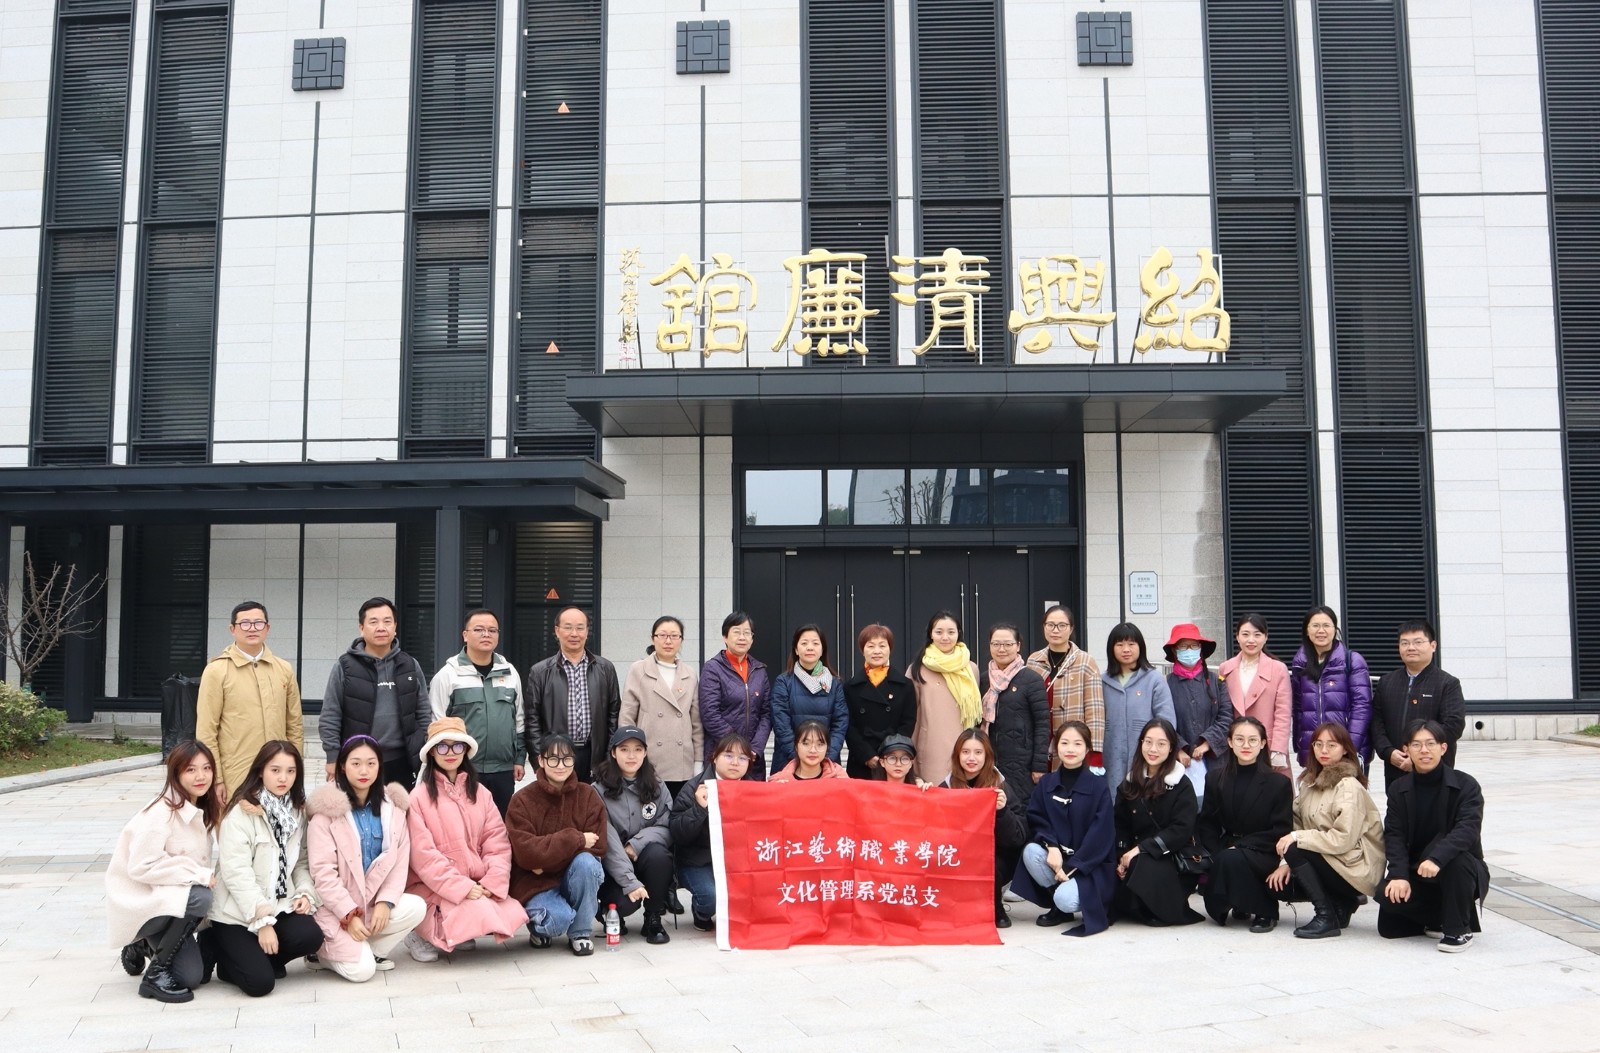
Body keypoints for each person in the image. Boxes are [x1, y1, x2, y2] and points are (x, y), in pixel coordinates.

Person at [401, 717, 526, 962]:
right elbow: (424, 858)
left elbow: (497, 844)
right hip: (432, 887)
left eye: (457, 746)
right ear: (432, 752)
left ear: (466, 750)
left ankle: (461, 926)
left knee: (511, 912)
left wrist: (491, 882)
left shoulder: (481, 793)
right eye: (442, 746)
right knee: (478, 911)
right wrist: (462, 888)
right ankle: (418, 934)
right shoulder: (418, 798)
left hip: (475, 882)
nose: (450, 753)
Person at [205, 740, 323, 996]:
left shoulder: (296, 812)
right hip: (236, 913)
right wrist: (262, 922)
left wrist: (304, 893)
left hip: (276, 904)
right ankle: (221, 950)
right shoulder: (241, 814)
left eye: (290, 771)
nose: (283, 778)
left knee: (310, 936)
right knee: (260, 984)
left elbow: (300, 862)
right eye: (275, 770)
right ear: (260, 771)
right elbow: (237, 874)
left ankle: (260, 959)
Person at [106, 741, 221, 1003]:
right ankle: (154, 975)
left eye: (206, 768)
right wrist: (195, 873)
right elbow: (141, 866)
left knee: (191, 977)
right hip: (143, 902)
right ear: (175, 773)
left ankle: (141, 946)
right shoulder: (161, 813)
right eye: (191, 770)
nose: (201, 776)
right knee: (200, 896)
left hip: (168, 904)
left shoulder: (200, 808)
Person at [305, 735, 426, 982]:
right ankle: (320, 956)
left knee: (416, 906)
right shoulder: (325, 813)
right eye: (356, 763)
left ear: (380, 766)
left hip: (371, 903)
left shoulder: (393, 808)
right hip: (335, 908)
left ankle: (368, 951)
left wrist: (385, 901)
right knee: (362, 972)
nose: (364, 771)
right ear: (342, 766)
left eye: (371, 763)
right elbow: (323, 874)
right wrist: (348, 914)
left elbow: (399, 863)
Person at [1378, 720, 1489, 952]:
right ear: (1406, 750)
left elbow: (1467, 831)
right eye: (1416, 745)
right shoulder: (1399, 788)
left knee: (1456, 860)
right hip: (1418, 870)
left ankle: (1459, 929)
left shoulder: (1466, 785)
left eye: (1430, 744)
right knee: (1386, 909)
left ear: (1443, 748)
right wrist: (1399, 875)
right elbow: (1395, 834)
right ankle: (1440, 916)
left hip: (1456, 869)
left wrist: (1437, 858)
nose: (1424, 750)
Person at [1265, 722, 1383, 939]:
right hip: (1331, 861)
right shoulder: (1309, 784)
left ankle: (1326, 916)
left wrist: (1296, 840)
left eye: (1332, 745)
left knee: (1295, 848)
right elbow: (1297, 823)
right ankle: (1342, 903)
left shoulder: (1348, 786)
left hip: (1355, 867)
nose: (1323, 750)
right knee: (1278, 886)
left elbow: (1342, 839)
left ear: (1345, 749)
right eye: (1318, 744)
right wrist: (1286, 863)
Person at [1011, 720, 1116, 936]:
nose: (1070, 749)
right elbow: (1037, 818)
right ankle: (1059, 909)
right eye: (1064, 743)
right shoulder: (1046, 783)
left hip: (1090, 867)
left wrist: (1071, 867)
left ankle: (1064, 902)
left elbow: (1101, 834)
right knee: (1031, 852)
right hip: (1057, 860)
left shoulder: (1098, 786)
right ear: (1056, 746)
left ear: (1087, 748)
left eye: (1077, 744)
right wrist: (1051, 846)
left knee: (1065, 899)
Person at [507, 734, 608, 956]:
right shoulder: (522, 799)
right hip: (535, 883)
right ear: (541, 761)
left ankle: (580, 932)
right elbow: (525, 853)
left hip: (571, 878)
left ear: (574, 760)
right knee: (557, 921)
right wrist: (575, 839)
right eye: (553, 759)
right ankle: (539, 926)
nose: (560, 766)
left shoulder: (587, 795)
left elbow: (598, 845)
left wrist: (544, 860)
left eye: (566, 759)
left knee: (587, 863)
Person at [320, 597, 431, 786]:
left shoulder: (410, 665)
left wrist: (424, 751)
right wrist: (332, 756)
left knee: (401, 806)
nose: (381, 628)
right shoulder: (345, 666)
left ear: (395, 627)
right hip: (358, 760)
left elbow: (423, 712)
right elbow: (331, 714)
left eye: (387, 621)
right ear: (361, 628)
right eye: (373, 622)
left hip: (403, 761)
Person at [1197, 716, 1293, 932]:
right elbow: (1208, 822)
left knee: (1233, 858)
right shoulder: (1215, 778)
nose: (1246, 745)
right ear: (1230, 742)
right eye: (1239, 739)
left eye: (1252, 740)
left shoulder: (1278, 783)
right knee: (1227, 858)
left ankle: (1266, 911)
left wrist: (1240, 847)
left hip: (1264, 849)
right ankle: (1238, 901)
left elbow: (1281, 829)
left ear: (1263, 743)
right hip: (1227, 846)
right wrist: (1215, 850)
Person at [197, 600, 302, 799]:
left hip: (277, 771)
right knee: (238, 817)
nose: (252, 628)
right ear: (232, 629)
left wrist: (295, 768)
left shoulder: (284, 669)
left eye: (258, 623)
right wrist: (216, 778)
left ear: (267, 628)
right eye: (245, 623)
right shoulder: (216, 671)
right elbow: (206, 730)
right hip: (236, 771)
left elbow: (294, 725)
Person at [429, 609, 525, 816]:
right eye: (479, 629)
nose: (486, 634)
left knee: (500, 825)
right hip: (463, 768)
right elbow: (436, 725)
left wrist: (519, 759)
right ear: (465, 635)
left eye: (492, 630)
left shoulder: (510, 672)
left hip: (502, 770)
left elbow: (519, 719)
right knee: (464, 823)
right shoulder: (448, 675)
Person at [1113, 718, 1203, 927]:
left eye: (1161, 744)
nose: (1153, 749)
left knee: (1141, 862)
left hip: (1171, 858)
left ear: (1171, 748)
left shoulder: (1181, 784)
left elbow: (1181, 830)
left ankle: (1157, 909)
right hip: (1133, 857)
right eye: (1148, 742)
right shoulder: (1130, 783)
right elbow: (1120, 825)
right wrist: (1121, 855)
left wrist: (1140, 849)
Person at [594, 725, 674, 945]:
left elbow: (667, 825)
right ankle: (612, 913)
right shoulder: (597, 790)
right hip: (613, 865)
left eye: (638, 749)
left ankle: (653, 917)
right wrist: (630, 882)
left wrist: (636, 844)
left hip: (644, 857)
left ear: (645, 753)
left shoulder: (657, 785)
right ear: (613, 753)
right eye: (624, 749)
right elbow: (607, 840)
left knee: (659, 855)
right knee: (626, 904)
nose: (632, 756)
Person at [525, 605, 622, 785]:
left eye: (580, 628)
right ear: (557, 631)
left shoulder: (605, 668)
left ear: (587, 631)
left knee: (592, 800)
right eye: (568, 627)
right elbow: (532, 721)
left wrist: (610, 757)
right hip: (556, 756)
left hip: (595, 754)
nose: (574, 634)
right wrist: (539, 762)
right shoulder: (540, 672)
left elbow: (613, 715)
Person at [941, 729, 1028, 928]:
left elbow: (1017, 838)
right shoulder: (946, 787)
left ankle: (996, 905)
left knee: (992, 865)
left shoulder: (1001, 787)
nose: (971, 758)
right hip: (960, 856)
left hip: (996, 857)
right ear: (957, 755)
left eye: (978, 752)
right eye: (965, 752)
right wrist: (926, 794)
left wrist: (1003, 811)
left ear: (987, 756)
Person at [670, 732, 756, 931]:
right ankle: (701, 912)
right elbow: (677, 832)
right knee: (710, 898)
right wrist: (699, 809)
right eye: (728, 755)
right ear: (715, 757)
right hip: (698, 861)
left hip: (737, 861)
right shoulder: (695, 787)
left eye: (742, 758)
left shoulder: (753, 789)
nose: (735, 762)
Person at [1371, 619, 1466, 790]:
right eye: (1404, 643)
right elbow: (1376, 722)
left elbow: (1453, 725)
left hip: (1434, 769)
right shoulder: (1387, 682)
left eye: (1418, 642)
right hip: (1396, 767)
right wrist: (1388, 752)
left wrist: (1418, 755)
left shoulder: (1447, 683)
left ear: (1433, 646)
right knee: (1398, 805)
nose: (1411, 648)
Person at [620, 615, 702, 800]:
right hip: (648, 757)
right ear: (653, 638)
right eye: (663, 635)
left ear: (681, 640)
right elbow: (627, 717)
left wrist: (698, 761)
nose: (668, 641)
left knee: (678, 810)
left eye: (674, 636)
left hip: (682, 761)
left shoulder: (689, 674)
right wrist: (629, 753)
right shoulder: (639, 670)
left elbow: (696, 722)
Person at [1289, 606, 1372, 766]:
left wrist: (1349, 747)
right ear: (1307, 631)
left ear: (1335, 629)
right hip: (1314, 750)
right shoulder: (1300, 663)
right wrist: (1300, 744)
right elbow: (1298, 708)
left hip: (1346, 749)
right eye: (1315, 625)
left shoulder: (1352, 661)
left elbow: (1362, 707)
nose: (1321, 631)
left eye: (1326, 625)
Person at [697, 612, 773, 780]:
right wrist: (737, 748)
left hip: (752, 756)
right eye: (736, 632)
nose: (742, 637)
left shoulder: (759, 670)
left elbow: (766, 713)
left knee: (753, 796)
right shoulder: (713, 669)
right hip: (723, 753)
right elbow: (709, 713)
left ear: (752, 639)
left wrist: (756, 748)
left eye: (747, 633)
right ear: (725, 636)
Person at [909, 610, 982, 785]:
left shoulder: (971, 668)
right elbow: (910, 715)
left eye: (951, 632)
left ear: (958, 634)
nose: (945, 637)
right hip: (930, 747)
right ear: (931, 634)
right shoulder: (917, 669)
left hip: (964, 747)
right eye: (939, 632)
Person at [1163, 622, 1231, 805]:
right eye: (1183, 646)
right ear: (1175, 650)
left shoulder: (1217, 681)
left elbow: (1226, 717)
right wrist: (1178, 749)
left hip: (1216, 760)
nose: (1189, 650)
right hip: (1179, 763)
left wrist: (1206, 744)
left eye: (1194, 646)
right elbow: (1162, 722)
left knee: (1217, 807)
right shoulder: (1166, 684)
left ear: (1201, 649)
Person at [1101, 623, 1176, 787]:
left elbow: (1166, 720)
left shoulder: (1154, 679)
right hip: (1110, 753)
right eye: (1119, 645)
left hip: (1146, 754)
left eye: (1131, 644)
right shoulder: (1102, 681)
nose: (1126, 649)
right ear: (1111, 649)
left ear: (1140, 646)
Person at [1025, 605, 1105, 757]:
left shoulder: (1085, 662)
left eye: (1062, 625)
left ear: (1071, 628)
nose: (1055, 630)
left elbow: (1095, 711)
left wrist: (1094, 753)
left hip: (1072, 743)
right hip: (1040, 740)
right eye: (1050, 625)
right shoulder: (1034, 660)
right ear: (1044, 627)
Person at [1218, 613, 1292, 776]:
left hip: (1267, 747)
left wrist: (1278, 749)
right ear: (1237, 637)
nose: (1251, 640)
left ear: (1266, 637)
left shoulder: (1278, 669)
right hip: (1237, 747)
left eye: (1257, 635)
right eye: (1245, 634)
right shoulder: (1225, 668)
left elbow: (1283, 713)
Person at [983, 622, 1050, 797]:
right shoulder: (984, 680)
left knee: (1020, 806)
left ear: (1018, 646)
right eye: (996, 644)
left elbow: (1043, 724)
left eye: (1008, 644)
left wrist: (1039, 765)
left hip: (1022, 762)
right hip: (989, 759)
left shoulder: (1032, 680)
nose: (1001, 649)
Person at [770, 624, 848, 774]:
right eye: (804, 643)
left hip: (826, 763)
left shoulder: (834, 683)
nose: (810, 648)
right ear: (796, 649)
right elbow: (781, 724)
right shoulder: (783, 682)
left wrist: (825, 757)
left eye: (815, 643)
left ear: (822, 649)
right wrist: (798, 758)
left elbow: (840, 723)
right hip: (789, 762)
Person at [842, 624, 916, 779]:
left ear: (890, 649)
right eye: (871, 646)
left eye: (882, 646)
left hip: (894, 761)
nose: (877, 651)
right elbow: (849, 726)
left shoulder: (905, 685)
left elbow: (908, 722)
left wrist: (892, 753)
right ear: (862, 650)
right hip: (861, 762)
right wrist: (867, 755)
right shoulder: (851, 687)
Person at [769, 719, 849, 782]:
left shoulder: (840, 779)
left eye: (820, 744)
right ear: (796, 746)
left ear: (827, 747)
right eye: (806, 744)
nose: (813, 750)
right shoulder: (779, 781)